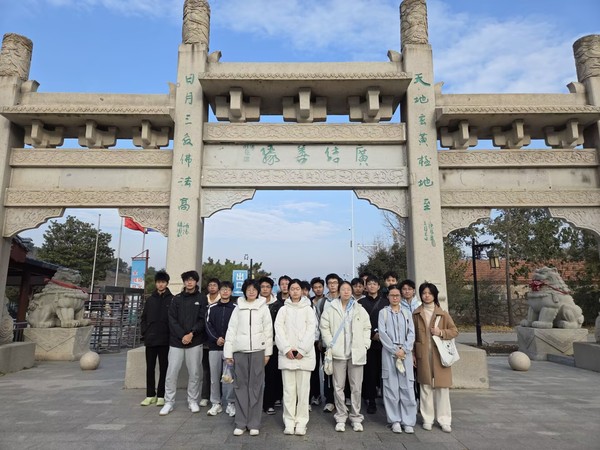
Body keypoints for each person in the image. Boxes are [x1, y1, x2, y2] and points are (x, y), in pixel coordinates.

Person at [320, 280, 371, 433]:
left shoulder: (359, 308)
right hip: (338, 354)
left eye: (349, 289)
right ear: (339, 291)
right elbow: (324, 327)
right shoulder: (331, 308)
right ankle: (341, 416)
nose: (346, 292)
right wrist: (330, 344)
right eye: (343, 289)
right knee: (338, 387)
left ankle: (356, 417)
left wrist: (365, 345)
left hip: (356, 353)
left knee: (356, 387)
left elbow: (366, 327)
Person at [224, 279, 273, 436]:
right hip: (240, 351)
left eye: (254, 289)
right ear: (244, 291)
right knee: (240, 386)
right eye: (248, 289)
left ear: (258, 291)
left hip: (258, 351)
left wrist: (268, 352)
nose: (251, 292)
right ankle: (240, 422)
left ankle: (254, 423)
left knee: (256, 387)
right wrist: (228, 353)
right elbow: (231, 330)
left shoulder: (263, 308)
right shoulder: (238, 308)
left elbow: (268, 331)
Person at [159, 270, 207, 416]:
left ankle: (192, 400)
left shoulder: (202, 298)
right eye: (187, 280)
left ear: (196, 281)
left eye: (192, 280)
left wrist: (191, 334)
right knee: (171, 372)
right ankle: (169, 402)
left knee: (195, 373)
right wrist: (183, 335)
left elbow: (202, 319)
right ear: (184, 282)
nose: (189, 282)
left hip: (195, 341)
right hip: (176, 342)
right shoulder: (177, 299)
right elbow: (172, 319)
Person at [413, 282, 458, 433]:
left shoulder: (442, 314)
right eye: (424, 293)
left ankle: (444, 419)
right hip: (423, 354)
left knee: (442, 388)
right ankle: (427, 418)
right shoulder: (416, 314)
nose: (426, 296)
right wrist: (413, 353)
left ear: (434, 295)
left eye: (429, 293)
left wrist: (441, 332)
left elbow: (454, 331)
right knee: (425, 386)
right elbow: (412, 336)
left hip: (440, 355)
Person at [275, 279, 317, 436]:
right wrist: (286, 349)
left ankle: (301, 422)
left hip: (304, 356)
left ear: (302, 291)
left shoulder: (308, 309)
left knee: (303, 391)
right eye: (292, 288)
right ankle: (289, 421)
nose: (294, 291)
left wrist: (302, 350)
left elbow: (311, 331)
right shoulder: (283, 309)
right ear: (288, 290)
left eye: (297, 289)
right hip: (287, 356)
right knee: (288, 391)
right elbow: (278, 330)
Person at [378, 285, 417, 434]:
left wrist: (405, 349)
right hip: (390, 353)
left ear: (401, 297)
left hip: (405, 352)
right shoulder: (383, 313)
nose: (395, 298)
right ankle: (394, 420)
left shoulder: (406, 313)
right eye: (392, 295)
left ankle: (408, 421)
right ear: (388, 297)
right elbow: (382, 333)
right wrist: (395, 350)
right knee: (391, 387)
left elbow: (411, 333)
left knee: (407, 387)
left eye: (397, 295)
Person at [140, 270, 173, 407]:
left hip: (165, 340)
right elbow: (143, 318)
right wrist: (145, 332)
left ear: (167, 283)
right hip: (151, 339)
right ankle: (150, 394)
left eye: (163, 282)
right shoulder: (150, 300)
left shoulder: (172, 299)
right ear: (155, 283)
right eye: (158, 282)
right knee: (150, 368)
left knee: (164, 368)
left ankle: (161, 395)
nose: (160, 284)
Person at [205, 281, 237, 417]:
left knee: (229, 377)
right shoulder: (212, 308)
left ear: (231, 292)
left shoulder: (236, 308)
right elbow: (208, 325)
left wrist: (228, 341)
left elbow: (237, 327)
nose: (225, 292)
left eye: (228, 289)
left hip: (230, 349)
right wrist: (216, 338)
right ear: (219, 291)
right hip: (214, 347)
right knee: (214, 376)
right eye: (223, 289)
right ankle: (216, 403)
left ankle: (230, 403)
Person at [359, 275, 384, 414]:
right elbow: (358, 323)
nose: (372, 286)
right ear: (366, 287)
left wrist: (382, 335)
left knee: (384, 373)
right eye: (369, 284)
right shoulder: (360, 303)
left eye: (375, 284)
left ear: (379, 286)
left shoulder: (385, 302)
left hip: (384, 343)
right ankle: (371, 401)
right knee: (370, 373)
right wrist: (371, 335)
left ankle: (387, 400)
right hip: (368, 343)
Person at [263, 275, 286, 415]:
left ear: (271, 289)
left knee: (272, 375)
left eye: (268, 287)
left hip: (273, 344)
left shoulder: (279, 305)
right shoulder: (255, 304)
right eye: (262, 287)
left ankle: (269, 403)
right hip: (256, 345)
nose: (265, 289)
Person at [318, 273, 341, 413]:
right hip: (327, 343)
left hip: (343, 343)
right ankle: (329, 400)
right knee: (328, 371)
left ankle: (342, 399)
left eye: (335, 282)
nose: (332, 285)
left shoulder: (345, 299)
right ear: (327, 285)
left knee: (342, 372)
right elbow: (319, 321)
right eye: (330, 283)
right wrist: (321, 340)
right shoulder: (322, 302)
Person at [399, 279, 422, 402]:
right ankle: (410, 399)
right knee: (408, 375)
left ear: (413, 291)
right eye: (404, 289)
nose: (407, 291)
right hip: (405, 344)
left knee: (420, 374)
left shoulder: (420, 305)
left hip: (419, 342)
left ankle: (421, 400)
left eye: (409, 289)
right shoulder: (398, 306)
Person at [200, 277, 221, 407]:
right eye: (210, 285)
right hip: (205, 341)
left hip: (220, 341)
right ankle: (205, 396)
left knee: (222, 371)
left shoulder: (223, 301)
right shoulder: (203, 300)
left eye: (214, 285)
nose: (212, 287)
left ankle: (220, 397)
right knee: (207, 370)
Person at [309, 276, 325, 407]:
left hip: (325, 340)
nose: (318, 289)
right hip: (312, 341)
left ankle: (329, 397)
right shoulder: (309, 303)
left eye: (320, 287)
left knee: (327, 368)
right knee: (313, 369)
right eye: (315, 287)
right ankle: (315, 394)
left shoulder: (327, 301)